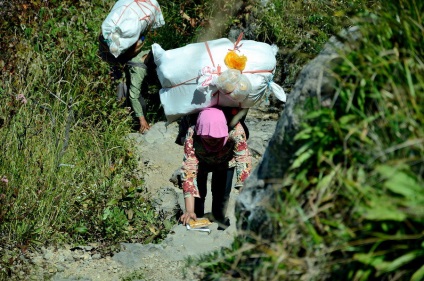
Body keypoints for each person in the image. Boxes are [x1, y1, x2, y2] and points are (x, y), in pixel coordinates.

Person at [179, 107, 252, 230]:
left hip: (225, 162)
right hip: (201, 162)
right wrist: (189, 210)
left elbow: (244, 165)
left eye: (217, 138)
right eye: (208, 138)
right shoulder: (192, 133)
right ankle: (198, 219)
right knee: (199, 196)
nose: (213, 142)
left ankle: (219, 222)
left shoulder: (236, 131)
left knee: (221, 195)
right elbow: (188, 171)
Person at [98, 16, 161, 134]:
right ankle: (132, 126)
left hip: (117, 69)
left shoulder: (143, 50)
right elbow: (133, 96)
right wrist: (142, 120)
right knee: (136, 102)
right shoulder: (139, 70)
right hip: (120, 79)